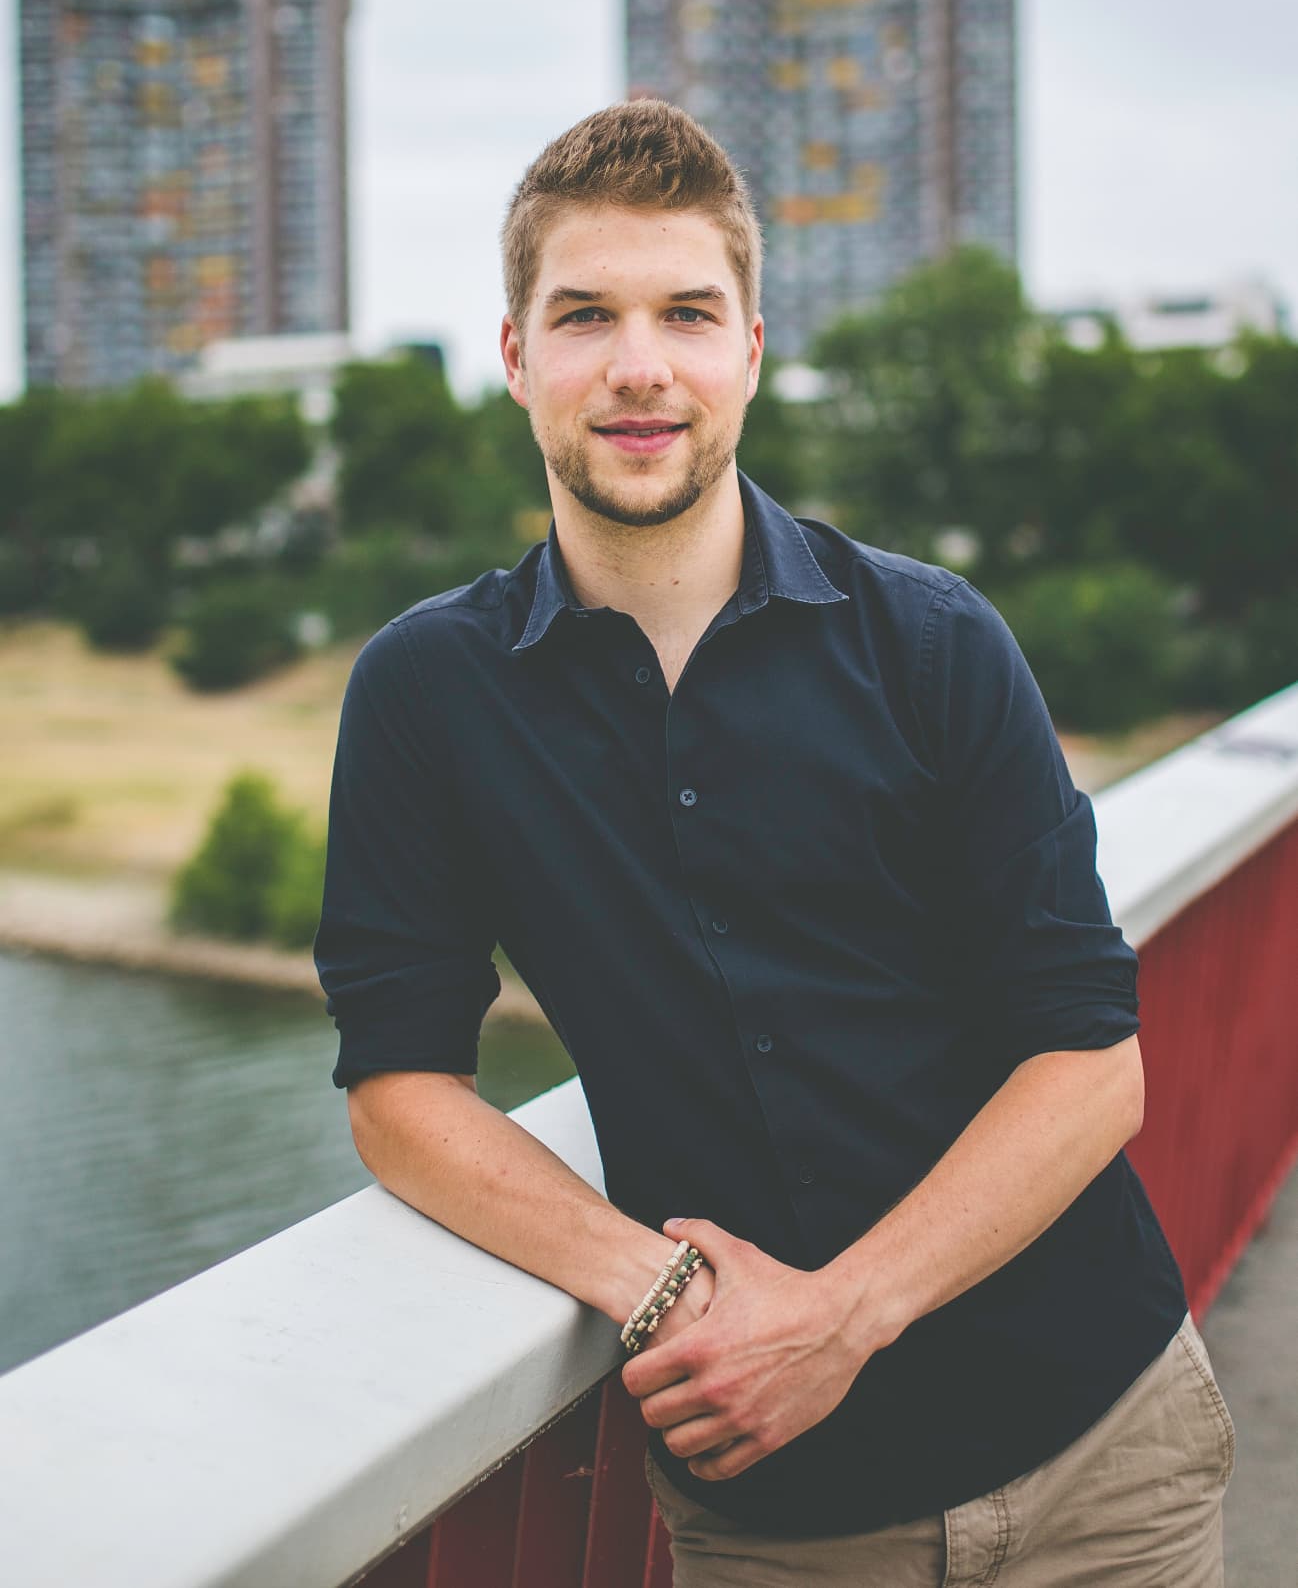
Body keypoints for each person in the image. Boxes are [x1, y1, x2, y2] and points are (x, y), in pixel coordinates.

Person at [315, 100, 1235, 1586]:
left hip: (1103, 1456)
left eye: (686, 311)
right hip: (789, 1523)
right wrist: (656, 1283)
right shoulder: (429, 694)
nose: (637, 364)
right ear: (513, 358)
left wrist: (837, 1315)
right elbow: (397, 1084)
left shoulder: (934, 642)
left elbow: (1090, 1059)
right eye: (584, 315)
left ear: (746, 350)